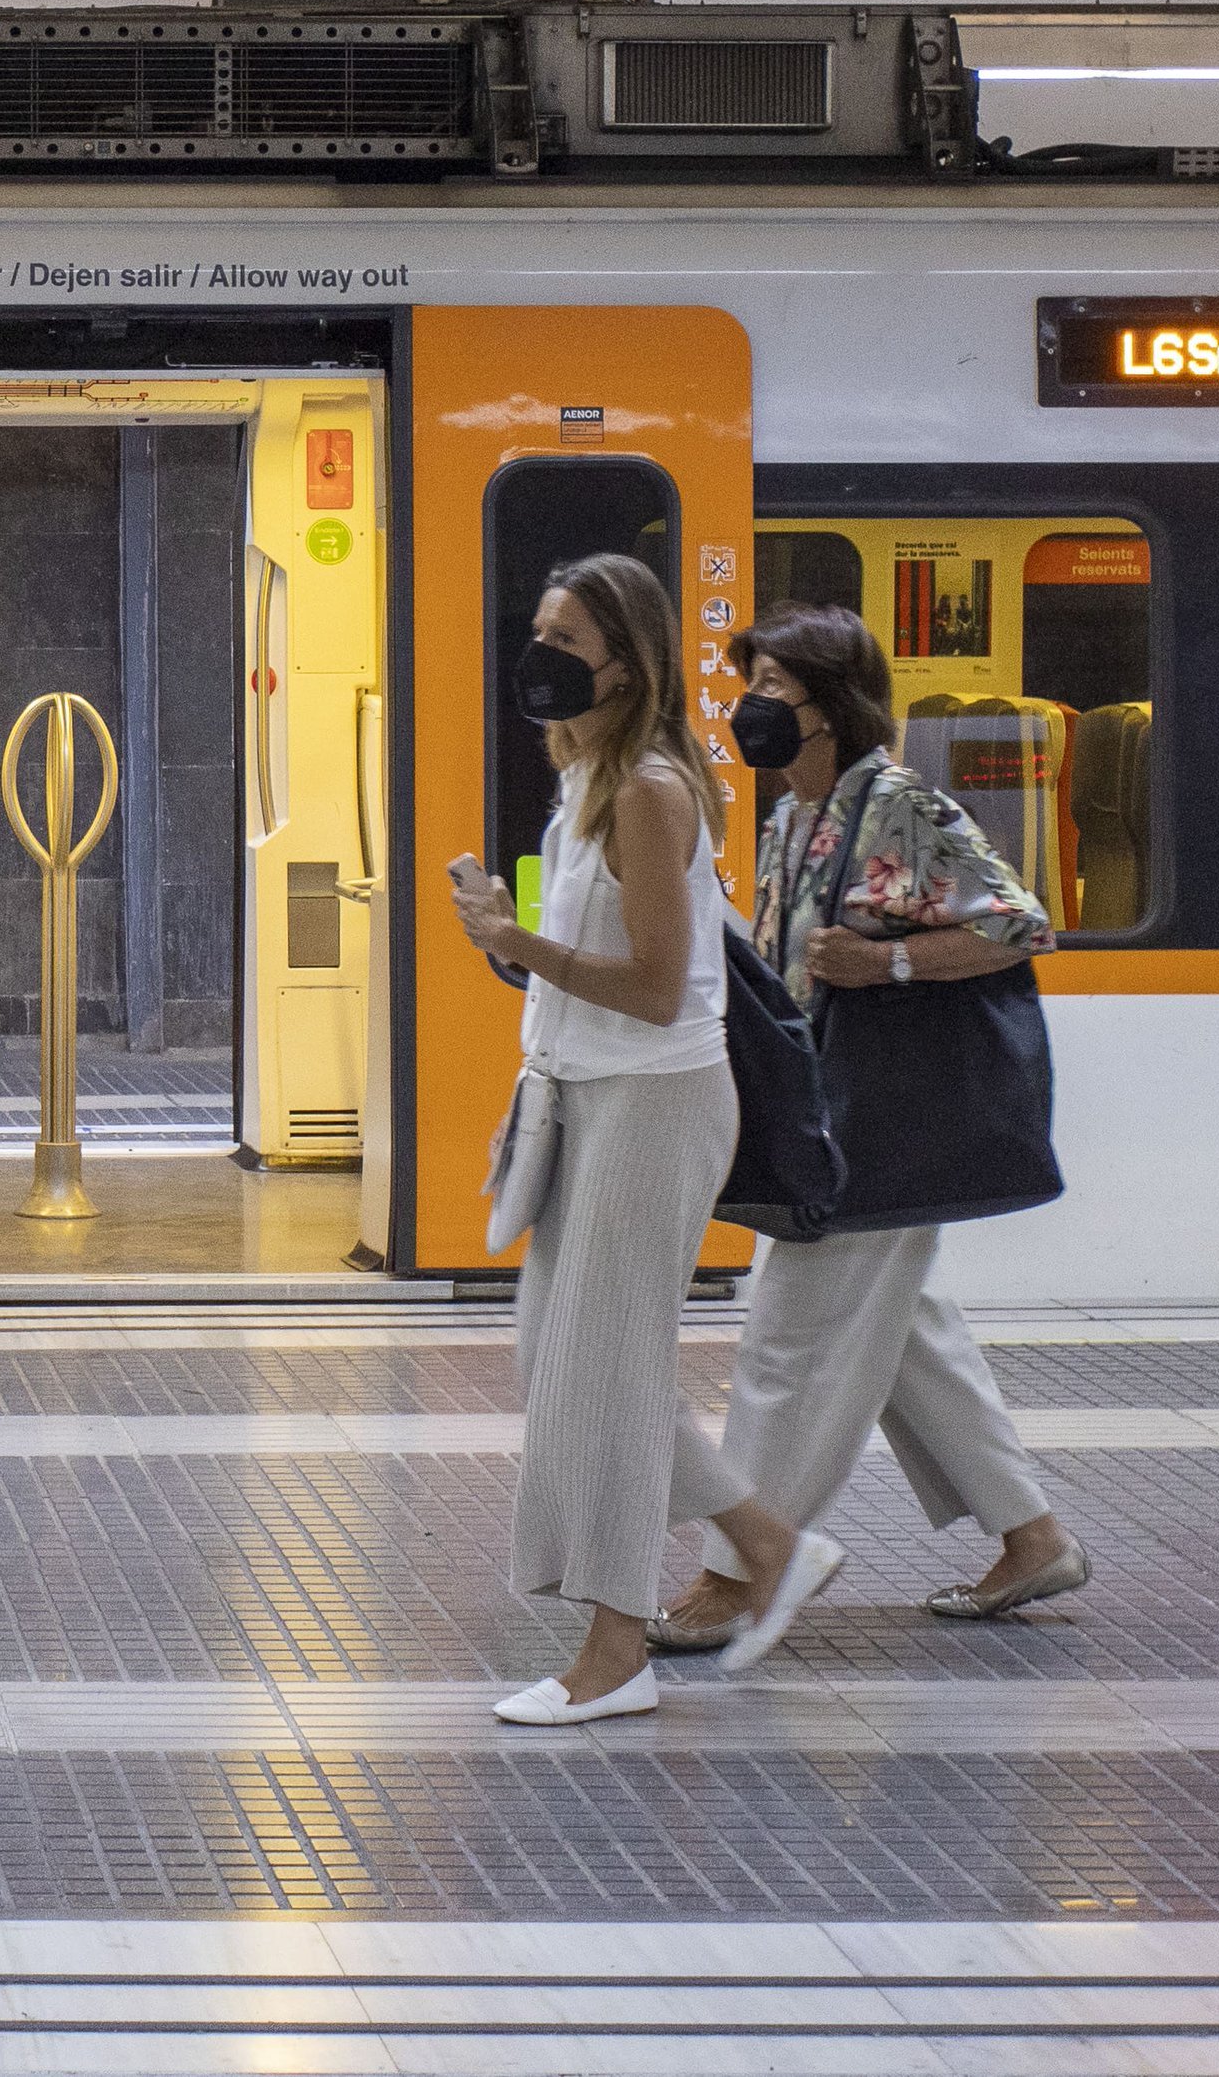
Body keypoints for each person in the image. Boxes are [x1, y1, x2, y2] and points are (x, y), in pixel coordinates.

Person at [649, 605, 1086, 1648]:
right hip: (830, 1110)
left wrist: (889, 961)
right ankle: (1033, 1539)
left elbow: (1021, 924)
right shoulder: (792, 817)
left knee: (790, 1340)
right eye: (744, 686)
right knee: (905, 1337)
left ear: (829, 706)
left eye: (771, 691)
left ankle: (741, 1570)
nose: (750, 709)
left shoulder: (896, 804)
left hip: (883, 1120)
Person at [450, 554, 835, 1723]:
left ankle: (614, 1651)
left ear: (629, 658)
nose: (545, 655)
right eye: (539, 629)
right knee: (556, 1365)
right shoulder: (580, 782)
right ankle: (766, 1542)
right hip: (582, 1096)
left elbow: (662, 988)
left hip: (657, 1102)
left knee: (608, 1380)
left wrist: (523, 949)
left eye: (569, 638)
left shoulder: (648, 792)